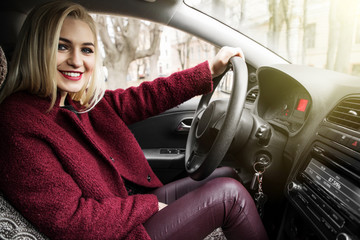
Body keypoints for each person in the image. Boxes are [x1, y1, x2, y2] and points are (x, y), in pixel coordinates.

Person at [0, 1, 268, 240]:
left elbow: (146, 97)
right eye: (61, 46)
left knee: (226, 173)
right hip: (115, 230)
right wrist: (148, 207)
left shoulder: (75, 103)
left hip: (121, 206)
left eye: (87, 50)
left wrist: (209, 70)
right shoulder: (19, 122)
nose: (76, 60)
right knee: (229, 196)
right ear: (36, 50)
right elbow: (72, 221)